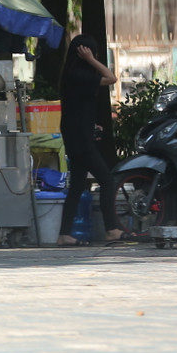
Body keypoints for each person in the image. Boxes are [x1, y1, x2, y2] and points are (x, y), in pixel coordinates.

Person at [57, 34, 124, 244]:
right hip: (80, 138)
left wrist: (91, 124)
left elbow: (78, 106)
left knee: (77, 185)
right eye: (92, 52)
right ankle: (112, 229)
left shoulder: (73, 74)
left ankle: (64, 234)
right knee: (106, 179)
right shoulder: (79, 74)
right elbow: (112, 78)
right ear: (84, 53)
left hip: (77, 133)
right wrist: (91, 60)